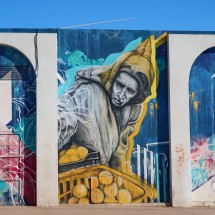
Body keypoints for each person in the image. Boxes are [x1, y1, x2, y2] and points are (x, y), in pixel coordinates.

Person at [58, 36, 156, 172]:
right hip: (74, 172)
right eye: (120, 85)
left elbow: (121, 149)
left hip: (103, 177)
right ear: (112, 78)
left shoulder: (133, 109)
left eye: (130, 91)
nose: (121, 94)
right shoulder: (87, 89)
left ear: (137, 94)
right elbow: (66, 109)